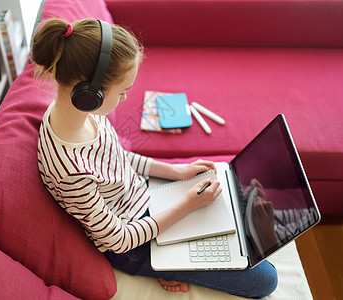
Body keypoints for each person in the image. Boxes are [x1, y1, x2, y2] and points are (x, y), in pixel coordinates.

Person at [32, 18, 277, 298]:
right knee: (265, 280)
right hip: (133, 247)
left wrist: (175, 171)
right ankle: (168, 264)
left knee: (234, 196)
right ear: (90, 94)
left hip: (147, 199)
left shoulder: (82, 114)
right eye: (122, 91)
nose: (125, 99)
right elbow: (117, 240)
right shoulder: (68, 170)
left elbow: (118, 158)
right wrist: (187, 205)